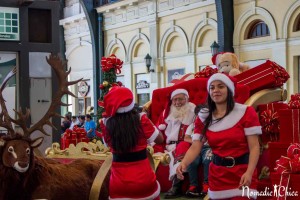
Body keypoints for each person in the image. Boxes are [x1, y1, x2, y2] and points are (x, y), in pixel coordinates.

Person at [177, 73, 261, 200]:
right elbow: (195, 147)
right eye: (212, 87)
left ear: (229, 90)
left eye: (220, 86)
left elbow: (255, 147)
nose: (215, 90)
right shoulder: (204, 117)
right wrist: (183, 163)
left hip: (242, 174)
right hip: (217, 176)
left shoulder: (246, 112)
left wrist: (249, 173)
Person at [101, 86, 164, 199]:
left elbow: (107, 145)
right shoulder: (141, 119)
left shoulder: (106, 124)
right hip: (143, 179)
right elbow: (160, 139)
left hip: (118, 182)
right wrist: (150, 123)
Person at [156, 88, 196, 199]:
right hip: (169, 145)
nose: (177, 102)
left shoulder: (194, 111)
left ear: (186, 99)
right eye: (175, 100)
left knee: (182, 147)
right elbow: (158, 131)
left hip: (187, 143)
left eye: (180, 99)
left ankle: (176, 187)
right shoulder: (167, 112)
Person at [184, 106, 212, 198]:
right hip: (196, 146)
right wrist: (197, 142)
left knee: (207, 160)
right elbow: (186, 138)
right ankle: (193, 186)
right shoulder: (192, 125)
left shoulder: (212, 124)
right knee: (191, 161)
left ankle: (206, 185)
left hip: (208, 147)